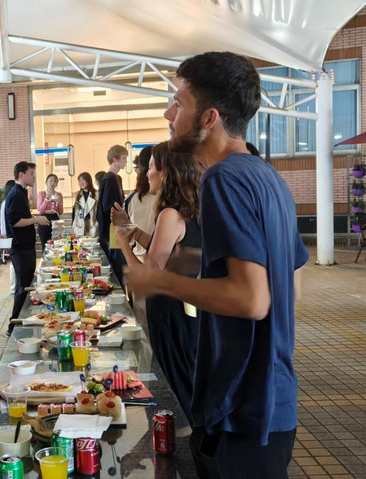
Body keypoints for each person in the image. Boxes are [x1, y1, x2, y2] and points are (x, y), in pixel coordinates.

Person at [126, 52, 307, 479]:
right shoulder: (267, 177)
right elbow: (290, 284)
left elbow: (252, 298)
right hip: (274, 402)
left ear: (209, 119)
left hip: (242, 406)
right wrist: (191, 265)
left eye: (178, 103)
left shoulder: (222, 179)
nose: (169, 114)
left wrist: (161, 282)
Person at [115, 141, 201, 423]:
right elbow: (167, 253)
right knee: (185, 379)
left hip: (170, 313)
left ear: (165, 173)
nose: (146, 173)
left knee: (175, 384)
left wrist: (124, 245)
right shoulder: (190, 209)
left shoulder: (169, 214)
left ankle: (179, 439)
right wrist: (132, 230)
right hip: (186, 309)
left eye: (151, 167)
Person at [111, 146, 157, 338]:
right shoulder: (168, 200)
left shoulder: (134, 198)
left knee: (144, 325)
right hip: (147, 265)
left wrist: (121, 247)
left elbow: (124, 232)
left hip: (141, 263)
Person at [5, 161, 50, 335]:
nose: (34, 177)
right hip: (20, 248)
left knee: (25, 285)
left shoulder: (21, 193)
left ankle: (20, 323)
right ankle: (13, 325)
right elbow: (14, 221)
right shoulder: (16, 193)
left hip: (26, 247)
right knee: (22, 287)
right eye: (31, 173)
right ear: (21, 175)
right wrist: (36, 219)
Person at [97, 145, 127, 285]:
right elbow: (109, 206)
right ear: (115, 159)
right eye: (123, 158)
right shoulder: (109, 179)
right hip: (112, 230)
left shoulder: (114, 178)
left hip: (114, 229)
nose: (125, 161)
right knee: (117, 268)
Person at [37, 173, 64, 251]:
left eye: (55, 181)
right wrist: (46, 200)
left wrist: (60, 203)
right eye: (50, 181)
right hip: (44, 218)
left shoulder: (59, 195)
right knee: (45, 244)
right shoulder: (41, 194)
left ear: (57, 184)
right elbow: (40, 210)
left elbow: (60, 212)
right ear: (46, 182)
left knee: (57, 243)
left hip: (55, 218)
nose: (52, 183)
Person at [0, 179, 17, 293]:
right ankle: (13, 287)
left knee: (14, 262)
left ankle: (13, 287)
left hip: (7, 235)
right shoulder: (8, 203)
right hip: (10, 236)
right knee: (14, 262)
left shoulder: (4, 202)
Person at [71, 172, 98, 237]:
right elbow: (75, 210)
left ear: (88, 181)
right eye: (79, 181)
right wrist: (73, 223)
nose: (81, 183)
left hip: (92, 223)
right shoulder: (78, 194)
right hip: (80, 224)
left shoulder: (96, 194)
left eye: (83, 180)